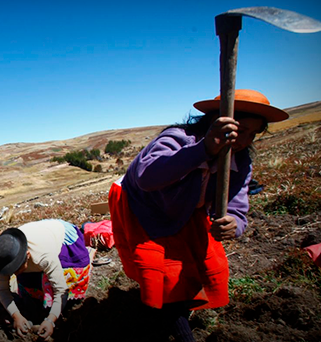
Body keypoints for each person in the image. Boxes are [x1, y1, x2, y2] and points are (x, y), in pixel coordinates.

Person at [108, 89, 289, 341]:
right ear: (216, 121)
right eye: (241, 130)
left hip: (188, 208)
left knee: (202, 261)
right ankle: (178, 327)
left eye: (252, 134)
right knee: (164, 269)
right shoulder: (178, 139)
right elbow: (147, 177)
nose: (244, 140)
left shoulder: (240, 159)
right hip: (145, 205)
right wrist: (204, 149)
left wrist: (234, 222)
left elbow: (236, 203)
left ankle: (181, 306)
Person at [0, 219, 92, 340]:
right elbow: (2, 290)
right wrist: (16, 315)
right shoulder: (3, 257)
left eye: (16, 268)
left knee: (66, 278)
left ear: (27, 255)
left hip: (62, 235)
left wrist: (51, 320)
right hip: (39, 232)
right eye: (10, 270)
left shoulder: (45, 256)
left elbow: (61, 290)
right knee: (29, 286)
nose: (13, 274)